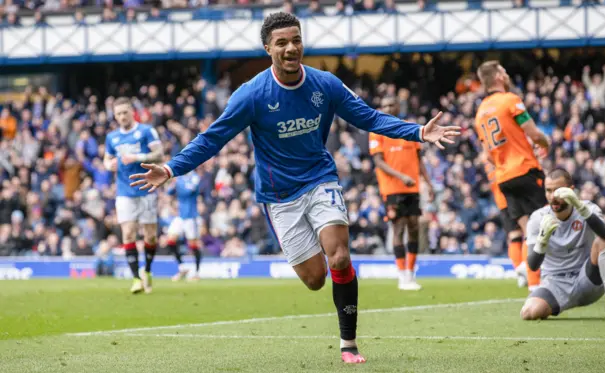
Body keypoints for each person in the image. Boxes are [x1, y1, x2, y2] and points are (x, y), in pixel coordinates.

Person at [129, 12, 460, 364]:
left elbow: (370, 117)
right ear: (268, 48)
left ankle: (348, 343)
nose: (291, 48)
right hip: (279, 195)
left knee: (341, 256)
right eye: (282, 42)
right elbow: (213, 139)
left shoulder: (325, 84)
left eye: (296, 40)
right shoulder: (251, 95)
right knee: (316, 279)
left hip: (320, 179)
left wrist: (418, 132)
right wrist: (170, 168)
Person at [474, 60, 551, 291]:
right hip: (525, 170)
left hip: (503, 178)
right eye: (504, 71)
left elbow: (487, 156)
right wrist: (545, 143)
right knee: (542, 226)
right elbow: (534, 133)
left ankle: (533, 286)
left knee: (528, 230)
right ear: (498, 76)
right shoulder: (510, 100)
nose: (507, 75)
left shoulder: (479, 114)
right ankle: (545, 280)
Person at [520, 168, 605, 321]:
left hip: (587, 278)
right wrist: (542, 240)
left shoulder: (589, 208)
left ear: (571, 190)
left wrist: (579, 205)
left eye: (558, 191)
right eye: (548, 191)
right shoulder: (538, 218)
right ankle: (559, 303)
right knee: (528, 313)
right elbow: (533, 265)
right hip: (555, 283)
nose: (553, 196)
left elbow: (604, 233)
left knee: (604, 241)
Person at [369, 96, 433, 290]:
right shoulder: (377, 130)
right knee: (399, 228)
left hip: (412, 187)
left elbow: (418, 159)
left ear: (398, 106)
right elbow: (378, 161)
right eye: (385, 105)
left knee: (414, 227)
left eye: (391, 105)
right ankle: (401, 274)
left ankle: (411, 273)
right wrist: (401, 176)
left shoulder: (410, 128)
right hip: (392, 188)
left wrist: (428, 183)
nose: (388, 108)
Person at [103, 97, 164, 294]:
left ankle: (147, 270)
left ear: (132, 112)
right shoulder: (112, 137)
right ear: (115, 116)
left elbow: (160, 154)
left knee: (150, 236)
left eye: (125, 112)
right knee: (128, 232)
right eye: (118, 114)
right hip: (124, 191)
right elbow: (107, 158)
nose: (122, 117)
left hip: (147, 188)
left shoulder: (146, 131)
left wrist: (137, 157)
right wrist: (108, 164)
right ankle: (136, 278)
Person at [485, 160, 527, 288]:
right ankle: (526, 267)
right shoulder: (500, 157)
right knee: (528, 231)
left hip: (502, 202)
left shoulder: (488, 163)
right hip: (514, 196)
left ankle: (520, 270)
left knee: (514, 236)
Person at [166, 170, 203, 282]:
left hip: (191, 216)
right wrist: (175, 184)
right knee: (170, 241)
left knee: (193, 245)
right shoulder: (180, 178)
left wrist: (177, 183)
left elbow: (189, 190)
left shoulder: (195, 177)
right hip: (180, 216)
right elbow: (169, 192)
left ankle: (196, 272)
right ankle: (182, 267)